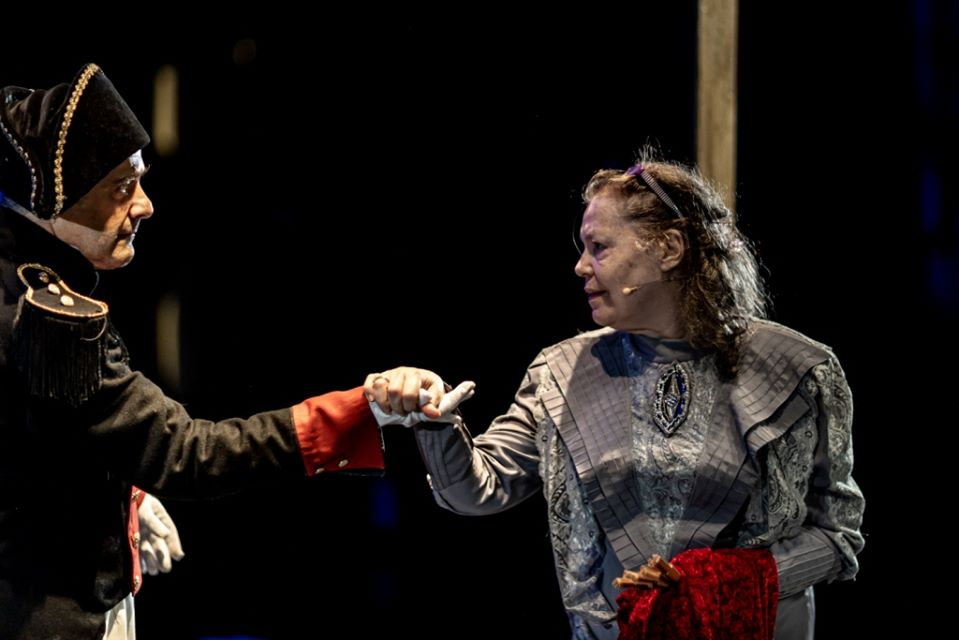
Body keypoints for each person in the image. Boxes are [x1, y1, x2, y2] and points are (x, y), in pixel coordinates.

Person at [0, 63, 446, 640]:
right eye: (121, 186)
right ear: (57, 200)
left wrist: (119, 493)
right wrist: (362, 408)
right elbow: (186, 451)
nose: (145, 206)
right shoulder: (48, 318)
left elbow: (45, 438)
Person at [365, 155, 865, 639]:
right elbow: (477, 490)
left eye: (598, 247)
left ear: (668, 249)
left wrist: (718, 582)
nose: (580, 266)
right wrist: (434, 419)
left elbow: (837, 536)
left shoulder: (798, 369)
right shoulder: (562, 372)